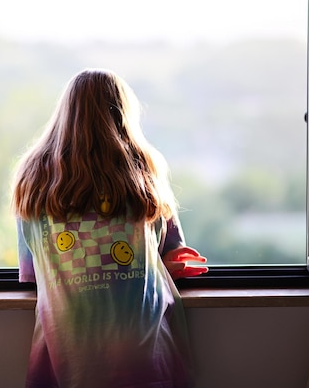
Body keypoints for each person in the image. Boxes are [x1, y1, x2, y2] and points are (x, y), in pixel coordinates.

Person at [12, 68, 208, 388]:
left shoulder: (32, 180)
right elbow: (172, 253)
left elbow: (32, 274)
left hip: (68, 354)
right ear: (125, 116)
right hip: (143, 351)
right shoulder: (144, 172)